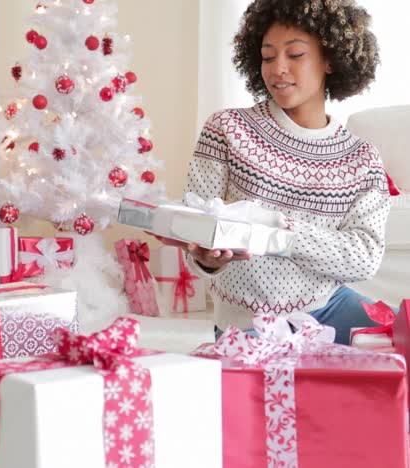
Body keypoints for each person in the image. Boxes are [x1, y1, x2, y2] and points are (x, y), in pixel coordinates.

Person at [155, 0, 390, 345]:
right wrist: (206, 260)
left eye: (295, 55)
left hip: (330, 308)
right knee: (271, 395)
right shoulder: (227, 129)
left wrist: (279, 230)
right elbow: (199, 228)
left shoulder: (363, 158)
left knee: (401, 347)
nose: (277, 68)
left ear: (330, 59)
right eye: (268, 57)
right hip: (250, 323)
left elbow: (364, 257)